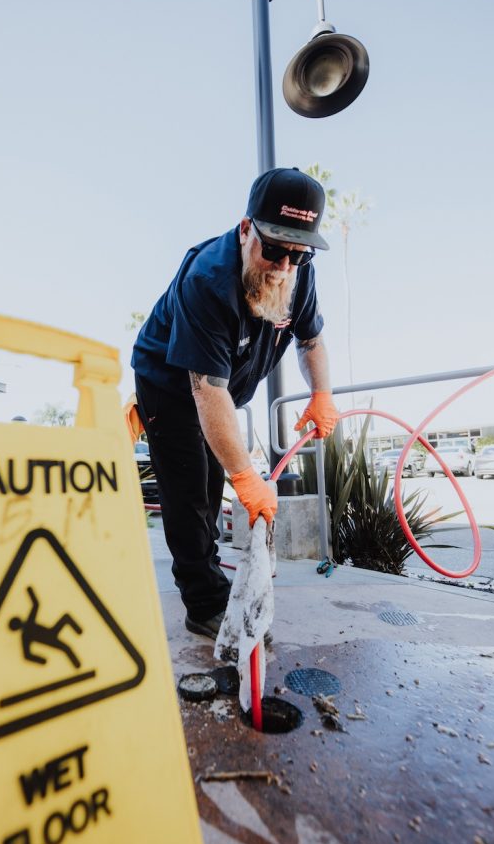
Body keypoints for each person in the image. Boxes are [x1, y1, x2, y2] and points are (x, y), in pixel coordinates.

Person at [131, 167, 339, 641]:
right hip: (171, 383)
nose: (284, 266)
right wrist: (247, 477)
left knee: (211, 479)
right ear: (247, 229)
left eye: (299, 254)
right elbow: (206, 390)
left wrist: (321, 393)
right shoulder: (208, 279)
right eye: (274, 249)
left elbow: (311, 342)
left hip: (223, 389)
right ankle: (203, 604)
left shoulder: (298, 275)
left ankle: (212, 580)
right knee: (192, 491)